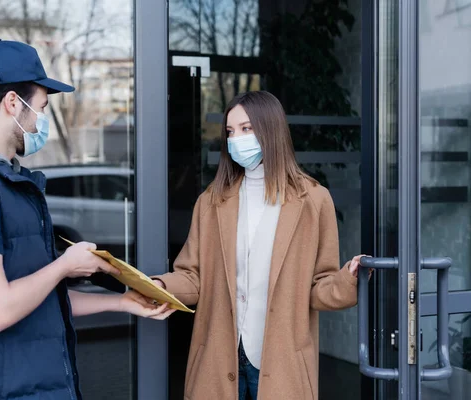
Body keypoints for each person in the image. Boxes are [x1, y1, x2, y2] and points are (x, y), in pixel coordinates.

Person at [0, 39, 173, 400]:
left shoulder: (7, 183)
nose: (41, 119)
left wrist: (120, 302)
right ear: (13, 103)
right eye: (41, 107)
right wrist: (64, 266)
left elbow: (35, 298)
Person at [152, 91, 368, 400]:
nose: (235, 139)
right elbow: (191, 276)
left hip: (282, 362)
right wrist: (156, 286)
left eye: (246, 128)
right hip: (217, 357)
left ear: (271, 130)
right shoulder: (211, 201)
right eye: (230, 131)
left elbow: (319, 287)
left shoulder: (314, 200)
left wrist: (349, 278)